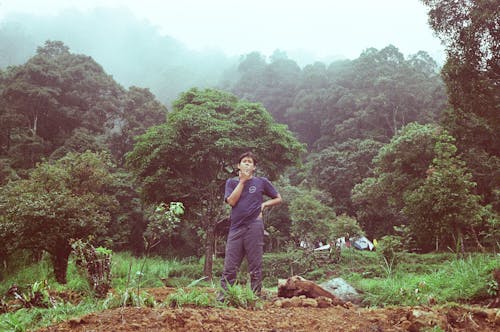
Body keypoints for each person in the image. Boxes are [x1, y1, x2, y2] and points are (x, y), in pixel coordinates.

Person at [219, 151, 282, 298]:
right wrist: (242, 181)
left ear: (254, 167)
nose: (247, 163)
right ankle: (223, 298)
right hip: (236, 227)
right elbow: (231, 201)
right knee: (230, 265)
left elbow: (278, 198)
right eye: (244, 161)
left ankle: (254, 298)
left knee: (255, 265)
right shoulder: (232, 182)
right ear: (238, 166)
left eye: (250, 162)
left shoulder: (261, 182)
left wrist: (264, 204)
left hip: (254, 225)